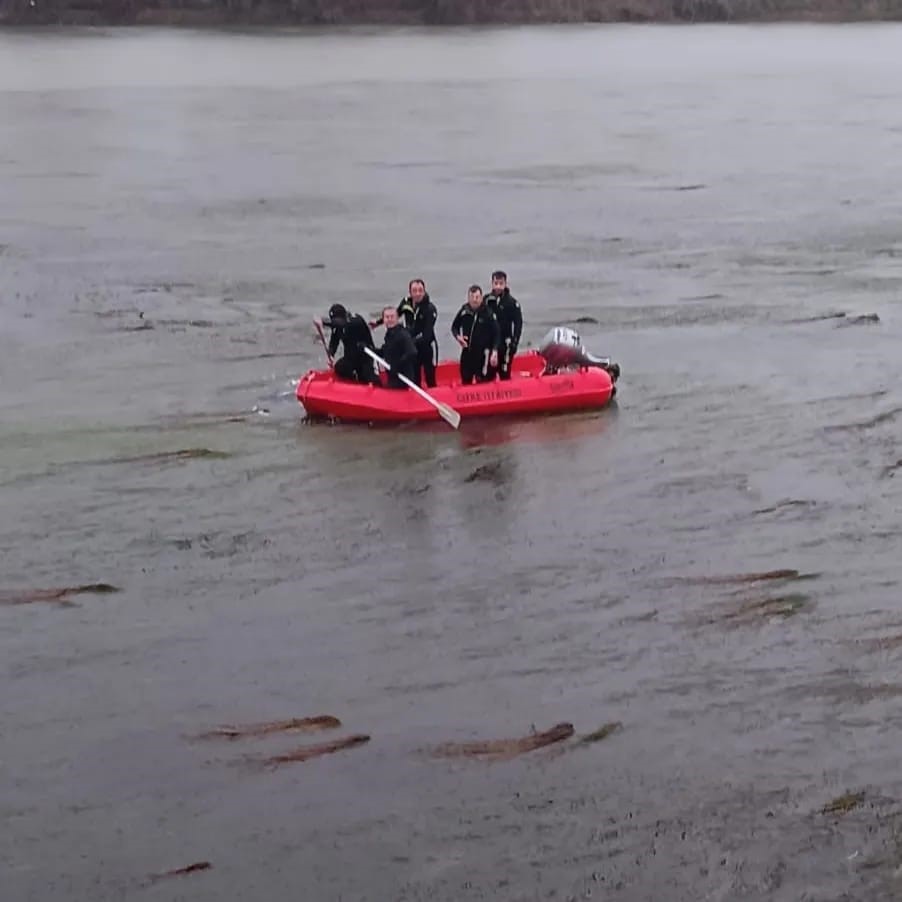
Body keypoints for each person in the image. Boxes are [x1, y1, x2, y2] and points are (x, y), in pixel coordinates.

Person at [371, 279, 439, 387]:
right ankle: (415, 397)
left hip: (426, 345)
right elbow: (395, 314)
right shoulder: (406, 302)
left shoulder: (430, 309)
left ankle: (434, 394)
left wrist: (408, 341)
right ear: (410, 292)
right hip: (411, 345)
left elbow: (427, 333)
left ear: (424, 291)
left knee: (430, 375)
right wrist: (379, 322)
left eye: (420, 290)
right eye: (414, 291)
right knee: (415, 375)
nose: (417, 294)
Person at [450, 285, 500, 384]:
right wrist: (458, 337)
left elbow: (497, 333)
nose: (475, 300)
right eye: (472, 298)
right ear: (468, 298)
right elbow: (454, 327)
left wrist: (494, 351)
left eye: (477, 297)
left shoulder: (488, 313)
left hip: (482, 353)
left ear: (481, 298)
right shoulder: (464, 311)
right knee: (465, 378)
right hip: (467, 351)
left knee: (482, 379)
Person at [320, 303, 378, 384]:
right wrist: (331, 354)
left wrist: (323, 322)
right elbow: (334, 341)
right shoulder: (337, 327)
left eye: (336, 320)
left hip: (365, 356)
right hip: (350, 357)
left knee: (367, 376)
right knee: (340, 368)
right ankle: (353, 382)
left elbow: (342, 323)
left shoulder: (356, 320)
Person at [484, 270, 522, 381]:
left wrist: (515, 343)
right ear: (492, 284)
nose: (498, 287)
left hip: (506, 344)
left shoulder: (512, 303)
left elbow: (518, 324)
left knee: (504, 373)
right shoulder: (486, 301)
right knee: (488, 374)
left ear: (505, 284)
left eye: (501, 284)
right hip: (490, 344)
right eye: (496, 283)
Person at [377, 306, 419, 389]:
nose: (389, 319)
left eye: (392, 317)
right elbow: (386, 351)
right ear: (383, 320)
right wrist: (369, 348)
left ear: (397, 318)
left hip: (403, 377)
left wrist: (397, 366)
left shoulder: (403, 334)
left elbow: (412, 352)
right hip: (393, 374)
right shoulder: (389, 335)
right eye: (387, 317)